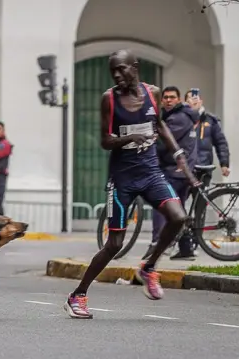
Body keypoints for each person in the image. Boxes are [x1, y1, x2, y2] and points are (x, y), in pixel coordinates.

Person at [64, 50, 200, 319]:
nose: (117, 75)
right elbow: (104, 141)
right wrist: (127, 139)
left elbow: (160, 125)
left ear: (135, 68)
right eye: (112, 71)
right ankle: (77, 295)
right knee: (114, 244)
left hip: (150, 173)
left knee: (178, 217)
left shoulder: (153, 93)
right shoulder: (109, 99)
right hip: (122, 180)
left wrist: (178, 155)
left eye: (122, 69)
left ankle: (148, 268)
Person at [143, 86, 199, 261]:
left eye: (172, 97)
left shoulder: (179, 118)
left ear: (179, 100)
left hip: (177, 170)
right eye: (165, 97)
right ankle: (186, 248)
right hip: (179, 169)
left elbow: (163, 143)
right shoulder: (173, 116)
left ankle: (156, 242)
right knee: (178, 209)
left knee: (162, 205)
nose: (168, 100)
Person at [184, 89, 230, 177]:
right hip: (185, 167)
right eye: (190, 99)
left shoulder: (211, 120)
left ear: (201, 101)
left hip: (203, 166)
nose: (193, 101)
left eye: (195, 98)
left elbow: (221, 143)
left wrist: (224, 164)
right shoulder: (181, 119)